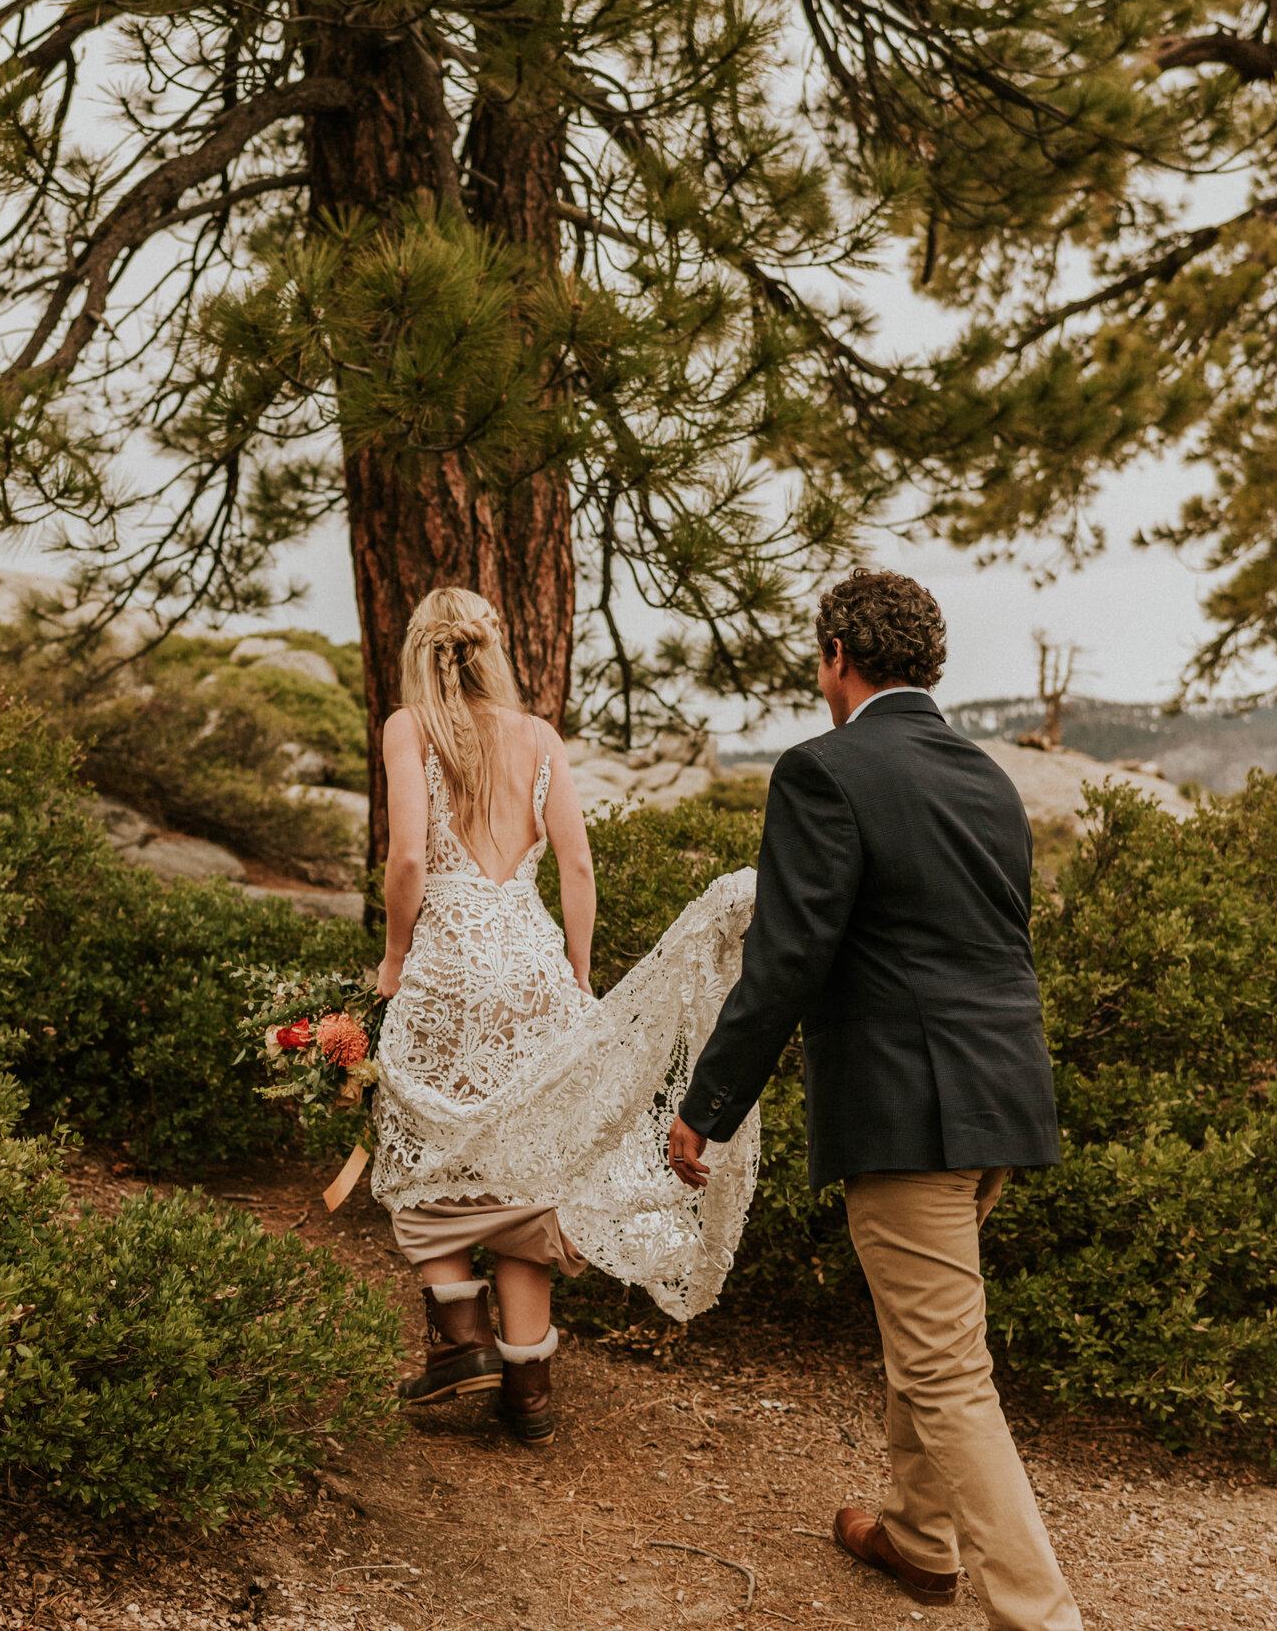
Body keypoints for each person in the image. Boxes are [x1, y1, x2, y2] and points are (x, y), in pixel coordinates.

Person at [667, 569, 1081, 1630]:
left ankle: (1040, 1615)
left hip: (907, 1111)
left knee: (945, 1368)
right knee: (928, 1329)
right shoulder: (989, 778)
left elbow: (785, 960)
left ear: (836, 660)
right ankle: (915, 1536)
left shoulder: (822, 772)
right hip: (1003, 1101)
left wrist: (706, 1103)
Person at [369, 587, 761, 1445]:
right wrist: (576, 972)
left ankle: (459, 1334)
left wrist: (396, 959)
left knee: (424, 1144)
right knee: (527, 1162)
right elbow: (576, 867)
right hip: (534, 959)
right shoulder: (539, 737)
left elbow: (406, 859)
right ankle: (529, 1391)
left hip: (450, 956)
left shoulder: (410, 728)